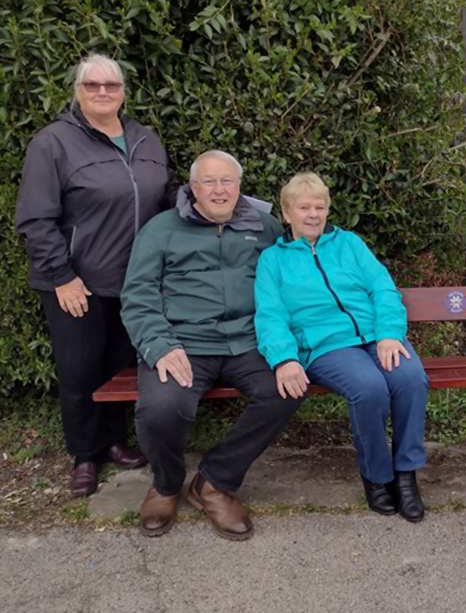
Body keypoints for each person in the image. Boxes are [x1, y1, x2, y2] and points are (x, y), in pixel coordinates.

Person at [121, 150, 302, 540]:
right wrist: (159, 345)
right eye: (209, 182)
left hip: (249, 342)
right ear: (192, 188)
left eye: (227, 181)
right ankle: (167, 484)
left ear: (239, 187)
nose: (219, 190)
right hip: (183, 344)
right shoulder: (160, 229)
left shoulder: (265, 226)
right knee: (161, 408)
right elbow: (138, 295)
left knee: (285, 390)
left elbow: (289, 283)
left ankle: (214, 481)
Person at [15, 53, 174, 497]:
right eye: (92, 85)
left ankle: (115, 442)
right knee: (80, 370)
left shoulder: (146, 140)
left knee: (121, 367)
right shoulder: (53, 143)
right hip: (76, 283)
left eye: (112, 85)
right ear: (78, 92)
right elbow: (35, 218)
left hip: (136, 281)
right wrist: (62, 276)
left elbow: (164, 199)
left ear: (124, 92)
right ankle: (85, 455)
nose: (103, 92)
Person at [254, 172, 429, 522]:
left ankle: (406, 474)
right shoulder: (273, 260)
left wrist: (390, 333)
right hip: (326, 346)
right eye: (304, 207)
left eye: (320, 206)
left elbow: (383, 288)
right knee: (368, 388)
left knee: (410, 379)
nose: (313, 214)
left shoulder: (349, 244)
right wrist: (285, 359)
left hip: (376, 336)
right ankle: (377, 476)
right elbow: (270, 315)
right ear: (287, 214)